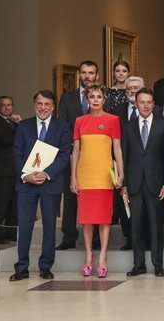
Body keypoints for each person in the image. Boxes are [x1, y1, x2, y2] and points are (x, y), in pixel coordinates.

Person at [9, 91, 72, 281]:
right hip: (26, 184)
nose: (43, 107)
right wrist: (25, 175)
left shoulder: (62, 127)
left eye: (47, 104)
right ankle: (21, 267)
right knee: (25, 226)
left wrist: (46, 174)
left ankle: (45, 266)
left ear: (53, 107)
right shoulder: (24, 126)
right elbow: (17, 153)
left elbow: (64, 155)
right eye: (39, 103)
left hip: (49, 183)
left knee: (49, 226)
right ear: (34, 104)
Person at [69, 84, 124, 278]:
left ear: (104, 99)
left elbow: (117, 150)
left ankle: (102, 257)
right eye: (91, 96)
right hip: (85, 176)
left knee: (103, 219)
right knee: (86, 220)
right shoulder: (79, 121)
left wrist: (121, 174)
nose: (95, 100)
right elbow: (76, 150)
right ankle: (89, 256)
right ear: (87, 99)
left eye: (98, 96)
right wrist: (73, 176)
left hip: (103, 175)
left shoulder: (113, 120)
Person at [121, 87, 164, 277]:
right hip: (133, 183)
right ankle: (138, 264)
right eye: (142, 102)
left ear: (154, 104)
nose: (146, 105)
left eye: (149, 102)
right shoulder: (128, 126)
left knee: (156, 226)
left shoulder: (163, 126)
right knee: (136, 226)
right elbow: (123, 156)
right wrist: (123, 184)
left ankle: (158, 264)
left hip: (156, 184)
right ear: (136, 103)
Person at [57, 60, 99, 250]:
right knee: (71, 194)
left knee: (94, 195)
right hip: (73, 153)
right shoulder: (68, 98)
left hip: (96, 154)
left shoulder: (101, 96)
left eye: (91, 73)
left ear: (97, 75)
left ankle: (96, 237)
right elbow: (63, 126)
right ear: (79, 74)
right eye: (83, 73)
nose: (87, 76)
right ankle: (69, 236)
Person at [110, 76, 148, 250]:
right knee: (124, 201)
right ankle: (129, 238)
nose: (132, 91)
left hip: (146, 165)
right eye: (129, 88)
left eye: (136, 88)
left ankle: (145, 239)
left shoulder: (155, 110)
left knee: (145, 205)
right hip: (123, 162)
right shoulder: (116, 110)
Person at [0, 95, 21, 243]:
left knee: (14, 205)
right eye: (3, 105)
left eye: (9, 105)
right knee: (1, 205)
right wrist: (19, 124)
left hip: (15, 170)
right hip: (3, 172)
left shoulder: (15, 124)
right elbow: (7, 140)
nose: (7, 108)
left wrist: (18, 124)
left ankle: (11, 233)